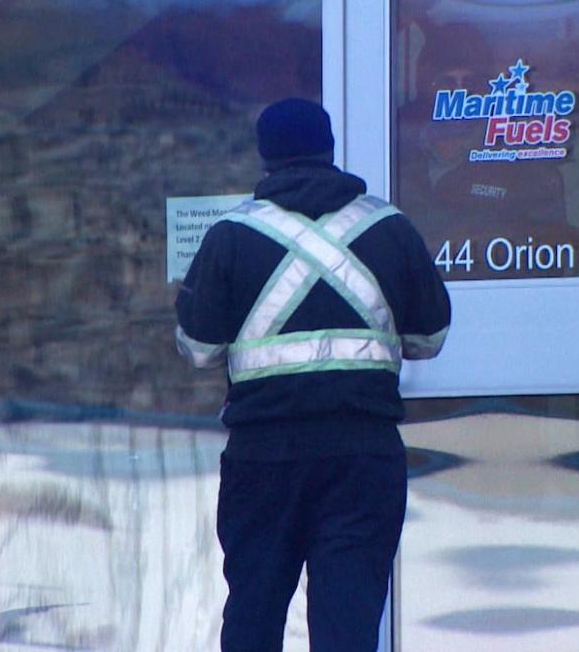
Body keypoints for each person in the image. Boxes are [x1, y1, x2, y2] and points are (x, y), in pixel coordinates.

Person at [175, 98, 451, 651]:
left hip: (263, 457)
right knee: (347, 625)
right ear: (330, 149)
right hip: (361, 454)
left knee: (253, 614)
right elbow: (430, 338)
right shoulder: (390, 227)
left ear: (265, 157)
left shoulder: (231, 234)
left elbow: (200, 348)